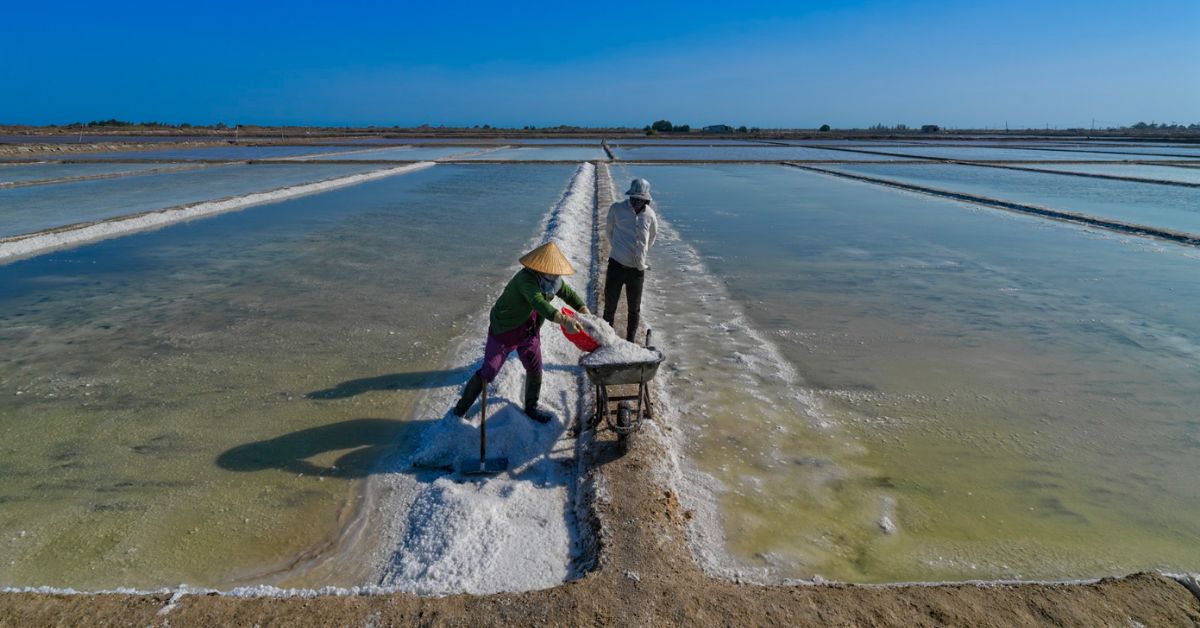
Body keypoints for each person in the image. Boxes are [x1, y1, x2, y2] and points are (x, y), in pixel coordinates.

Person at [452, 241, 589, 424]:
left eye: (557, 272)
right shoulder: (526, 279)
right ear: (540, 268)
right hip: (505, 328)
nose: (556, 274)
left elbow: (568, 293)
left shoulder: (553, 281)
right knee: (489, 371)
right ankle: (460, 410)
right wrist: (564, 320)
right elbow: (539, 303)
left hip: (529, 329)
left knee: (535, 367)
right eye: (552, 271)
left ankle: (531, 407)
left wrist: (583, 310)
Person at [603, 178, 658, 342]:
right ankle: (608, 340)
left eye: (640, 200)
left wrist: (639, 253)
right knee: (610, 307)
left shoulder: (650, 215)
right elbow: (609, 232)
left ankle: (630, 341)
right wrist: (621, 249)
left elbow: (652, 238)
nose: (636, 202)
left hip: (637, 270)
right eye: (634, 198)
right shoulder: (616, 209)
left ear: (646, 200)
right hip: (616, 266)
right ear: (629, 196)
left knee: (634, 309)